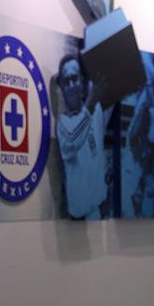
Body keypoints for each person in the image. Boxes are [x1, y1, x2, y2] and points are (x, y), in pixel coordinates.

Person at [55, 54, 112, 219]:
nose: (71, 85)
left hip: (101, 215)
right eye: (66, 81)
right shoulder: (63, 123)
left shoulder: (97, 110)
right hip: (80, 223)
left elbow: (115, 86)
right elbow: (72, 140)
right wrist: (91, 102)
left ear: (81, 80)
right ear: (62, 88)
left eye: (74, 79)